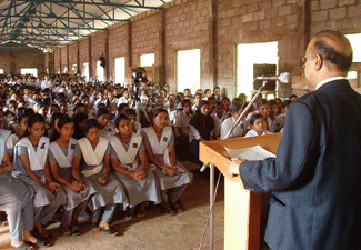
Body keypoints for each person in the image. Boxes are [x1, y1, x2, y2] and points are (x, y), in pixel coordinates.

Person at [230, 30, 361, 249]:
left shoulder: (307, 107)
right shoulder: (358, 102)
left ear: (317, 61)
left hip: (309, 229)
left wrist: (243, 168)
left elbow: (285, 172)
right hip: (349, 224)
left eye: (306, 60)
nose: (305, 65)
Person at [12, 113, 66, 241]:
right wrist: (45, 185)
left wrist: (49, 181)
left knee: (60, 195)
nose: (39, 132)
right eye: (36, 129)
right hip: (24, 176)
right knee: (43, 195)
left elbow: (45, 164)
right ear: (29, 129)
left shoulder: (44, 141)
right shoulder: (22, 144)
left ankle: (39, 221)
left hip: (40, 175)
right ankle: (31, 224)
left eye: (42, 129)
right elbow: (28, 170)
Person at [72, 119, 128, 236]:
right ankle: (95, 218)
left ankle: (105, 220)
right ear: (86, 133)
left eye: (96, 132)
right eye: (91, 133)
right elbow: (75, 167)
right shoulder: (80, 144)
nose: (94, 135)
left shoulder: (105, 143)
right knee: (97, 190)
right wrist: (79, 179)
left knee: (116, 187)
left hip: (101, 171)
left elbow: (107, 164)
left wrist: (105, 175)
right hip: (85, 173)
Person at [48, 116, 95, 236]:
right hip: (60, 177)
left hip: (75, 173)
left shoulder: (75, 143)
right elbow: (54, 173)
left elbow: (76, 165)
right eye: (66, 128)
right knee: (72, 194)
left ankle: (75, 218)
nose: (70, 131)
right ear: (59, 129)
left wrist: (77, 180)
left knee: (86, 188)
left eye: (71, 128)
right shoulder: (52, 147)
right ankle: (65, 222)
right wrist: (69, 184)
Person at [142, 109, 193, 215]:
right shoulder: (145, 132)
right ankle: (165, 203)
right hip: (154, 163)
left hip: (168, 159)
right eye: (160, 118)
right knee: (161, 180)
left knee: (186, 176)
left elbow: (171, 151)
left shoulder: (169, 130)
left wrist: (172, 165)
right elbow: (150, 156)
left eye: (166, 118)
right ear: (154, 119)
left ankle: (173, 199)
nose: (163, 121)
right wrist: (164, 168)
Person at [110, 114, 160, 219]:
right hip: (122, 169)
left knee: (148, 178)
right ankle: (130, 207)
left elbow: (143, 158)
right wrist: (132, 174)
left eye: (128, 124)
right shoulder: (113, 141)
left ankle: (141, 203)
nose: (127, 128)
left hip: (137, 166)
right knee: (129, 184)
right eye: (122, 126)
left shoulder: (137, 138)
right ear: (117, 128)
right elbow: (115, 165)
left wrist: (142, 170)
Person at [0, 136, 45, 249]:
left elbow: (9, 165)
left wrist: (2, 168)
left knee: (28, 191)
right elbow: (5, 165)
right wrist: (3, 167)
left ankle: (26, 232)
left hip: (5, 178)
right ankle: (15, 240)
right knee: (14, 198)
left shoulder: (1, 140)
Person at [189, 101, 214, 166]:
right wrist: (207, 143)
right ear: (200, 108)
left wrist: (211, 141)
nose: (206, 110)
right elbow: (198, 137)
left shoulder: (210, 119)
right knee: (200, 148)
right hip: (196, 141)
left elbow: (211, 134)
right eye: (204, 108)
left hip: (206, 140)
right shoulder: (194, 120)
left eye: (208, 108)